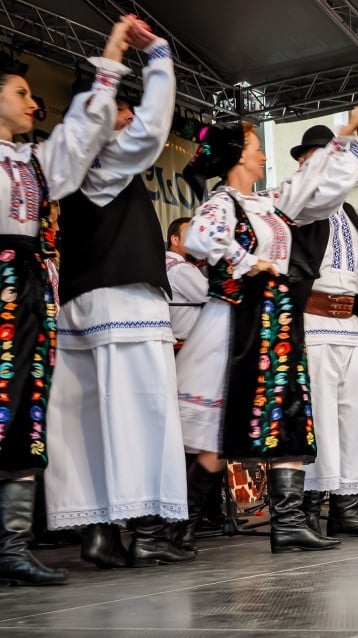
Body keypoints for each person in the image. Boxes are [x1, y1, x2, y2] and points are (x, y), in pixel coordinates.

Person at [175, 104, 358, 554]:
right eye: (256, 148)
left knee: (287, 416)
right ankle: (180, 530)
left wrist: (347, 137)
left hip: (275, 321)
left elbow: (316, 186)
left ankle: (287, 522)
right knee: (217, 436)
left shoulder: (270, 203)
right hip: (236, 321)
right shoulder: (222, 202)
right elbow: (198, 239)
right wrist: (250, 262)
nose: (264, 156)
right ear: (237, 157)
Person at [43, 17, 198, 570]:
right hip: (123, 300)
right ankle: (150, 531)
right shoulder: (103, 163)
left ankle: (102, 531)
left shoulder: (66, 169)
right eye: (117, 112)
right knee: (142, 412)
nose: (129, 119)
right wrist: (157, 57)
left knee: (94, 418)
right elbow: (154, 127)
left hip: (83, 301)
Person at [0, 17, 145, 586]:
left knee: (23, 413)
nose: (33, 102)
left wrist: (111, 54)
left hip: (29, 291)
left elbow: (83, 131)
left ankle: (10, 547)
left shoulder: (35, 160)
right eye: (20, 92)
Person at [287, 125, 358, 538]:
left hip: (348, 324)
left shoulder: (352, 213)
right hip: (313, 321)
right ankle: (311, 507)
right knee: (321, 416)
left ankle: (345, 506)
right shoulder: (300, 202)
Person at [165, 217, 207, 346]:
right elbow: (211, 296)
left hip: (171, 341)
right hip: (186, 345)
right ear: (175, 240)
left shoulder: (163, 264)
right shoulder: (182, 269)